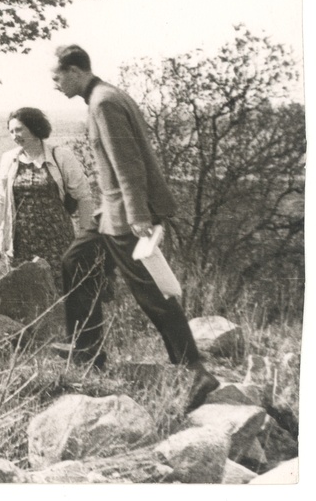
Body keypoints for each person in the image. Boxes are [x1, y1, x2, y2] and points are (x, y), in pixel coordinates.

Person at [51, 44, 219, 410]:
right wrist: (104, 210)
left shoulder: (104, 102)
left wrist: (139, 215)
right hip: (111, 212)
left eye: (57, 76)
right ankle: (87, 353)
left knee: (150, 293)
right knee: (76, 261)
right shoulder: (103, 96)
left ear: (76, 71)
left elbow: (128, 164)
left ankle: (194, 370)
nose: (55, 84)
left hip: (128, 217)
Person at [0, 107, 95, 288]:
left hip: (56, 239)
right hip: (19, 241)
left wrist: (85, 238)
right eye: (11, 131)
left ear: (35, 127)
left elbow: (83, 196)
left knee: (60, 288)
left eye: (19, 129)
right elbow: (1, 200)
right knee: (24, 290)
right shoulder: (8, 159)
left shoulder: (60, 156)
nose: (15, 135)